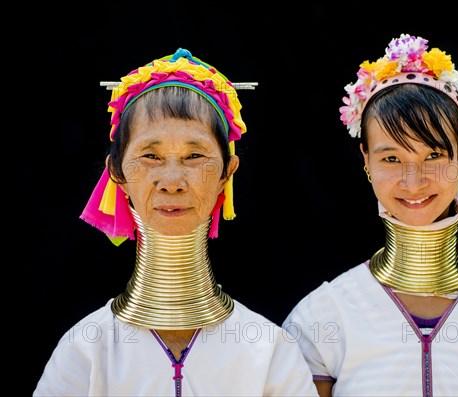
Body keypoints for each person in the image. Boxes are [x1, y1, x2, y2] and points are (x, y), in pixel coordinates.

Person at [282, 34, 458, 397]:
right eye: (391, 158)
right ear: (365, 159)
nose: (413, 181)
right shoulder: (321, 317)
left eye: (433, 156)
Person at [34, 48, 319, 397]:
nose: (172, 180)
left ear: (227, 174)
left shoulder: (270, 352)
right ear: (117, 172)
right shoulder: (85, 352)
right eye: (150, 156)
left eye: (195, 156)